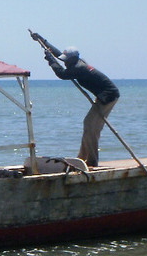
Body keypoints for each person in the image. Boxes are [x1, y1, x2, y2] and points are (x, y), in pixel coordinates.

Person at [31, 33, 120, 167]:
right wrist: (43, 41)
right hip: (104, 95)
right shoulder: (75, 62)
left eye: (67, 60)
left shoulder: (80, 68)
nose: (65, 62)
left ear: (73, 59)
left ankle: (91, 161)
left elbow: (61, 74)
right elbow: (59, 55)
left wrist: (50, 60)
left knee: (90, 126)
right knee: (90, 127)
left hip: (108, 96)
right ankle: (83, 158)